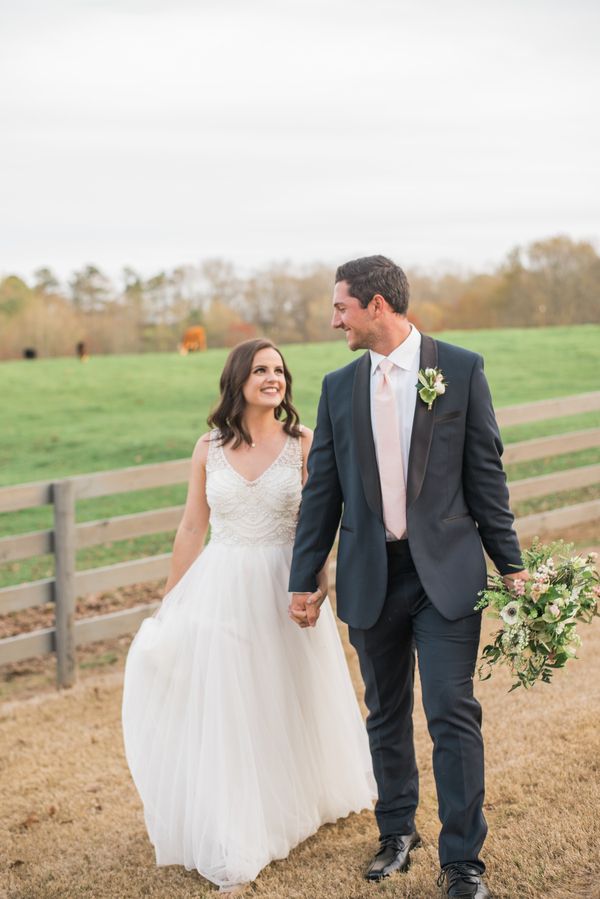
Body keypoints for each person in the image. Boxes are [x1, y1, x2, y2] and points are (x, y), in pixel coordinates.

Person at [289, 256, 528, 899]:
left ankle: (463, 862)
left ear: (375, 305)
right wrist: (303, 576)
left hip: (447, 574)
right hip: (371, 575)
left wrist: (511, 565)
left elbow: (487, 477)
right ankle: (397, 831)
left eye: (340, 307)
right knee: (385, 712)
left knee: (452, 710)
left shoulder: (462, 369)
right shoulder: (339, 387)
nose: (333, 318)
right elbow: (324, 494)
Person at [122, 338, 375, 895]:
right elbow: (192, 527)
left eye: (279, 370)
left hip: (288, 585)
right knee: (229, 700)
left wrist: (318, 579)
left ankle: (297, 795)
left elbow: (325, 518)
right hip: (223, 585)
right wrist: (172, 604)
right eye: (260, 369)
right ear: (237, 379)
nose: (273, 378)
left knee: (286, 693)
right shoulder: (207, 448)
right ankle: (238, 824)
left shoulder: (303, 442)